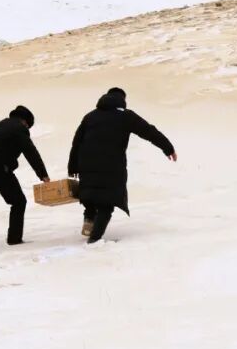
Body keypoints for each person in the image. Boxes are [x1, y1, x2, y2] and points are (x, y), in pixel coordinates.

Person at [67, 88, 176, 244]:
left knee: (90, 194)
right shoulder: (125, 116)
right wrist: (168, 148)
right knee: (106, 203)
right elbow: (148, 131)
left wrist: (72, 167)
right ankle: (94, 240)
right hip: (111, 166)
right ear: (122, 100)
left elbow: (76, 143)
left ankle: (89, 218)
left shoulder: (90, 116)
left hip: (86, 164)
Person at [0, 105, 49, 247]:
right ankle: (14, 239)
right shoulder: (19, 128)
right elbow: (30, 151)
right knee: (19, 202)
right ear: (25, 122)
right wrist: (43, 174)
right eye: (28, 126)